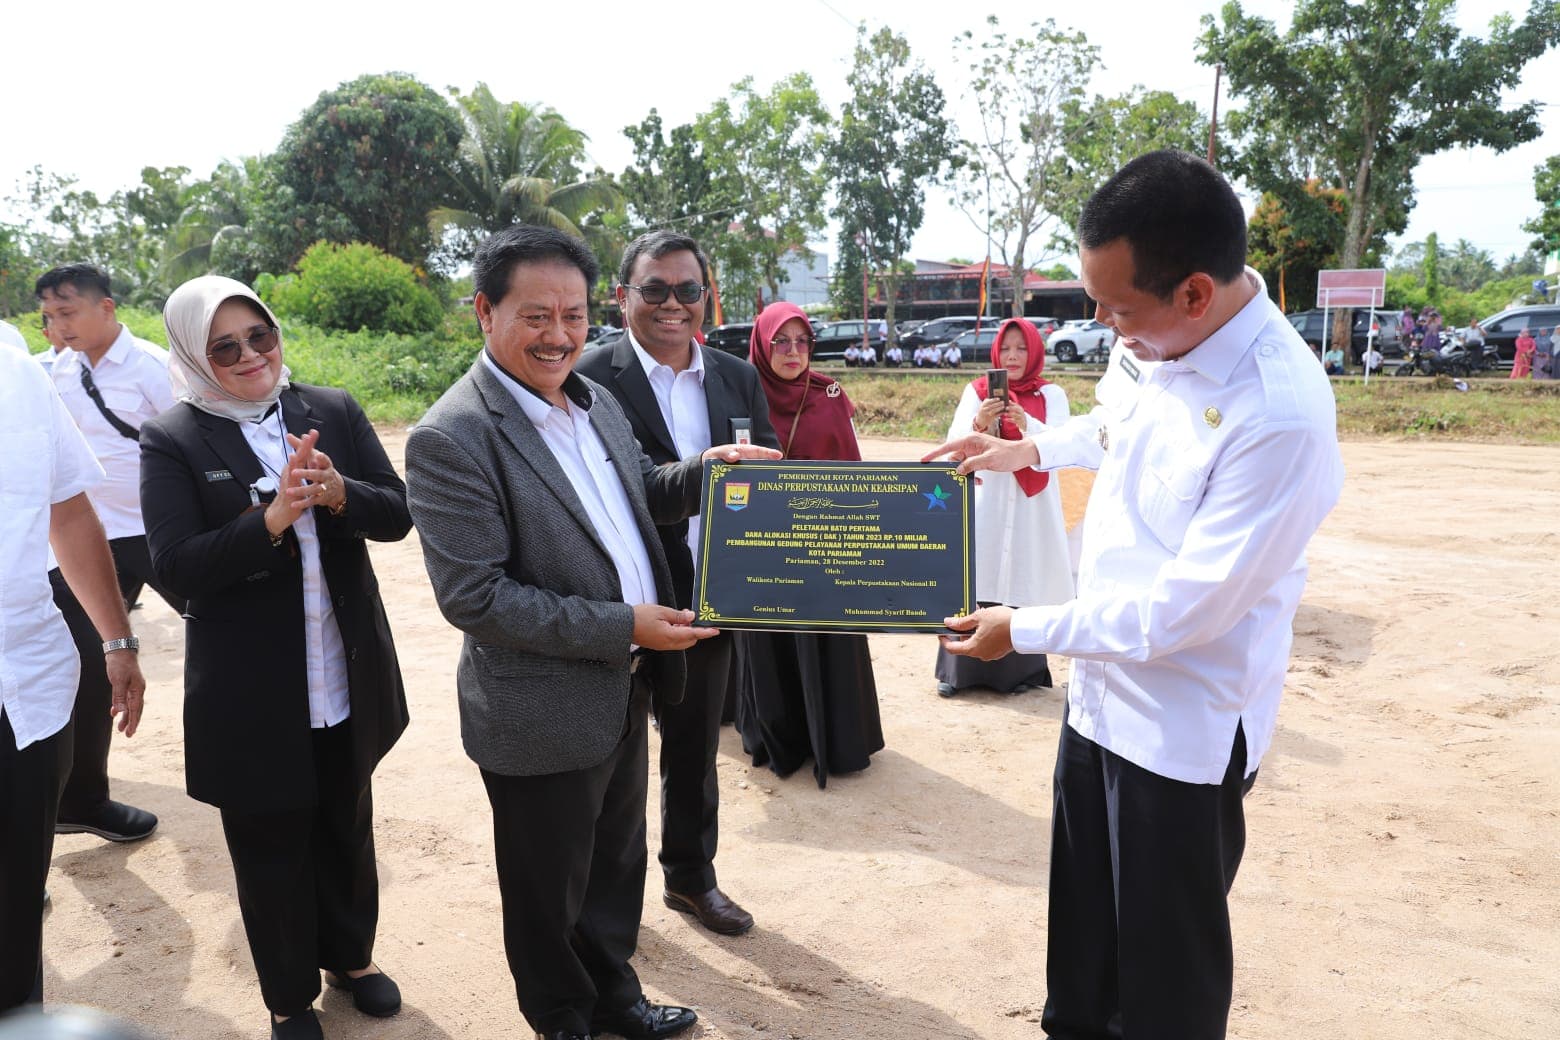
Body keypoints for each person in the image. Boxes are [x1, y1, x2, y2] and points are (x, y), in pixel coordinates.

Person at [925, 150, 1343, 1040]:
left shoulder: (1279, 414)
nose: (1106, 328)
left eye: (1119, 307)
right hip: (1101, 704)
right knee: (1083, 958)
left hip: (1180, 736)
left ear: (1195, 292)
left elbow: (1182, 613)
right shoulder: (1162, 345)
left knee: (1164, 986)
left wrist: (1024, 627)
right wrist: (1025, 450)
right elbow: (1116, 427)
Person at [405, 225, 777, 1040]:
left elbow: (640, 491)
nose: (560, 334)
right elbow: (477, 598)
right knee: (548, 887)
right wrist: (625, 625)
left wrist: (708, 473)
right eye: (536, 316)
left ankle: (615, 995)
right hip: (540, 708)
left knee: (614, 863)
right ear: (484, 312)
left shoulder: (594, 399)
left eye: (572, 314)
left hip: (624, 681)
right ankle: (564, 1019)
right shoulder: (451, 437)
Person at [139, 276, 412, 1040]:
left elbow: (397, 515)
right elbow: (177, 564)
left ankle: (351, 959)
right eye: (224, 347)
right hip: (251, 691)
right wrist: (270, 518)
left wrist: (336, 495)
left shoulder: (329, 409)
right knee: (269, 845)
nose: (250, 355)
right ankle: (289, 997)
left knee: (346, 822)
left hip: (343, 669)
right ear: (196, 356)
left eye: (260, 335)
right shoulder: (174, 438)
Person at [577, 229, 780, 938]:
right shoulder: (587, 375)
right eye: (655, 289)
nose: (673, 305)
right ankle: (602, 909)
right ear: (622, 296)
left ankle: (690, 879)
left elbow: (767, 474)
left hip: (713, 594)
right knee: (612, 759)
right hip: (624, 602)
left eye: (688, 290)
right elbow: (620, 493)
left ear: (706, 296)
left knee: (695, 752)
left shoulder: (736, 375)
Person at [1, 347, 146, 1014]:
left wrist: (117, 643)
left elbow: (68, 511)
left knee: (13, 924)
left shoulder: (17, 370)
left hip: (26, 690)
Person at [36, 264, 175, 845]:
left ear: (107, 308)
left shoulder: (149, 366)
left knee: (231, 623)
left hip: (158, 532)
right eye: (48, 316)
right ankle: (82, 799)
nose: (57, 326)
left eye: (67, 312)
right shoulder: (49, 373)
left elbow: (194, 436)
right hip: (88, 541)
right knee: (88, 666)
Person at [735, 301, 885, 788]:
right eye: (781, 340)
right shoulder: (740, 394)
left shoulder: (829, 394)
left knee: (828, 638)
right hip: (764, 548)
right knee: (770, 641)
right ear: (762, 342)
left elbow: (854, 470)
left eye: (802, 342)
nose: (793, 351)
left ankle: (839, 740)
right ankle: (779, 739)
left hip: (826, 547)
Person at [934, 318, 1072, 699]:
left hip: (1032, 508)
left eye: (1021, 348)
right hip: (987, 500)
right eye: (1006, 348)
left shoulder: (1051, 394)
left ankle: (1021, 673)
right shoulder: (976, 391)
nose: (1013, 356)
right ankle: (957, 671)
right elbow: (954, 445)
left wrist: (1029, 425)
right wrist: (980, 420)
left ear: (1035, 352)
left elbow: (1064, 445)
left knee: (1024, 575)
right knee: (976, 574)